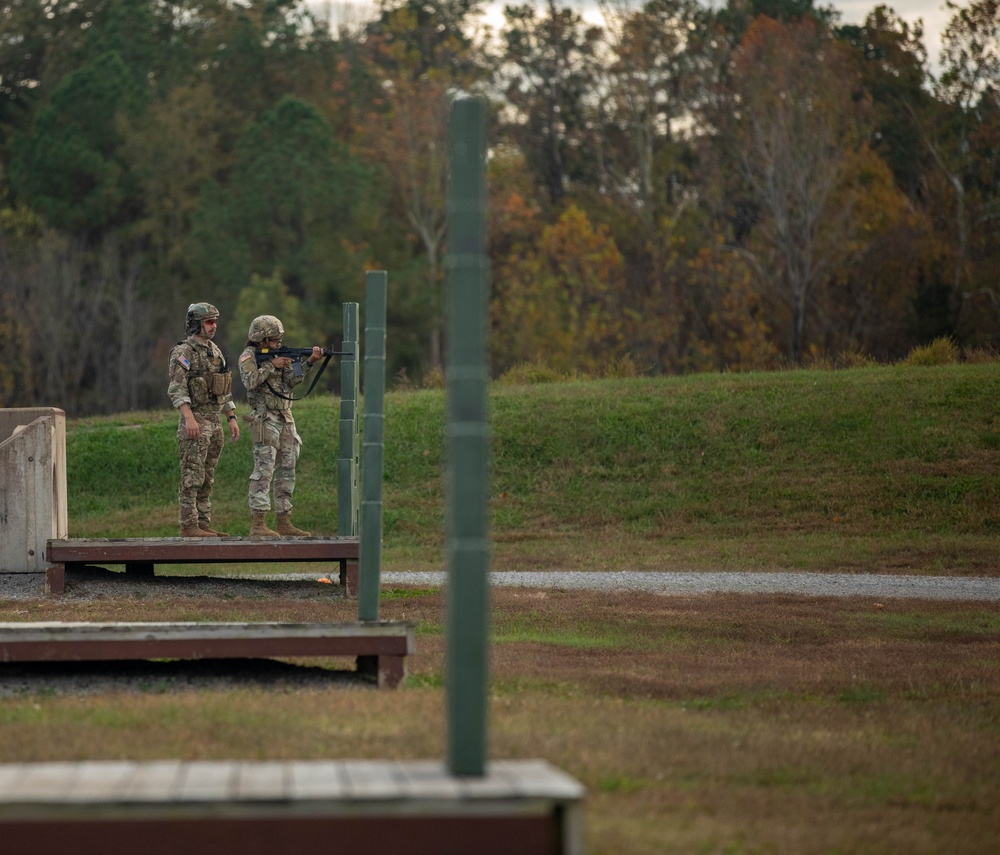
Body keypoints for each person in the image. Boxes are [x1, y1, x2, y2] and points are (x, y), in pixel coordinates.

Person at [239, 314, 323, 537]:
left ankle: (284, 521)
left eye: (279, 339)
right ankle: (258, 524)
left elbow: (292, 381)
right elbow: (249, 381)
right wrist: (270, 365)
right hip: (265, 419)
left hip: (285, 418)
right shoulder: (249, 356)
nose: (278, 343)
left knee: (287, 470)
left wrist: (310, 362)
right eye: (274, 339)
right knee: (264, 471)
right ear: (262, 339)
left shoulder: (280, 353)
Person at [167, 302, 240, 537]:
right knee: (192, 475)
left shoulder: (214, 350)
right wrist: (189, 418)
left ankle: (203, 523)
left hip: (214, 421)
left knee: (207, 476)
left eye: (215, 321)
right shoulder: (183, 352)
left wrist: (231, 416)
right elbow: (177, 389)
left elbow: (223, 387)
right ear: (197, 324)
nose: (214, 326)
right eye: (209, 321)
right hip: (196, 420)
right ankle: (189, 526)